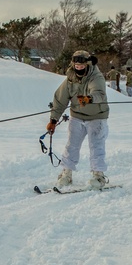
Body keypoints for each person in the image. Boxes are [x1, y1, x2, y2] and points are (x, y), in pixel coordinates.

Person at [47, 49, 111, 189]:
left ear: (88, 64)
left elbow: (99, 93)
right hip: (76, 116)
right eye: (77, 66)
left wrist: (89, 98)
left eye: (82, 66)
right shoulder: (70, 79)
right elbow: (60, 100)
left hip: (96, 117)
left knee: (96, 146)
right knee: (71, 145)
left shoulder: (96, 77)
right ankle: (66, 174)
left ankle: (98, 176)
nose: (79, 69)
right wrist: (53, 120)